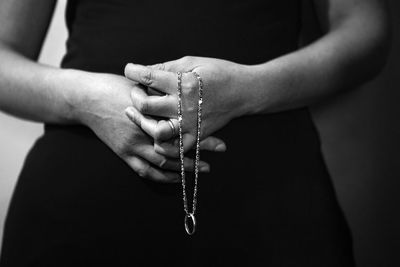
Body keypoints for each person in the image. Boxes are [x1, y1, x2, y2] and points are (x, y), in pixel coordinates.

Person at [0, 0, 389, 266]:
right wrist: (84, 98)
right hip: (77, 215)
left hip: (270, 206)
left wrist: (250, 90)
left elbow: (366, 32)